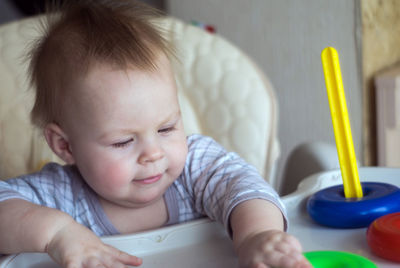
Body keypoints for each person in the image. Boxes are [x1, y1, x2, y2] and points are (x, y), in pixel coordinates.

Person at [0, 1, 311, 267]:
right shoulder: (59, 196)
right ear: (65, 145)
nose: (153, 153)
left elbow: (244, 187)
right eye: (123, 141)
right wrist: (57, 234)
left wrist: (255, 235)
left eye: (166, 128)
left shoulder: (195, 167)